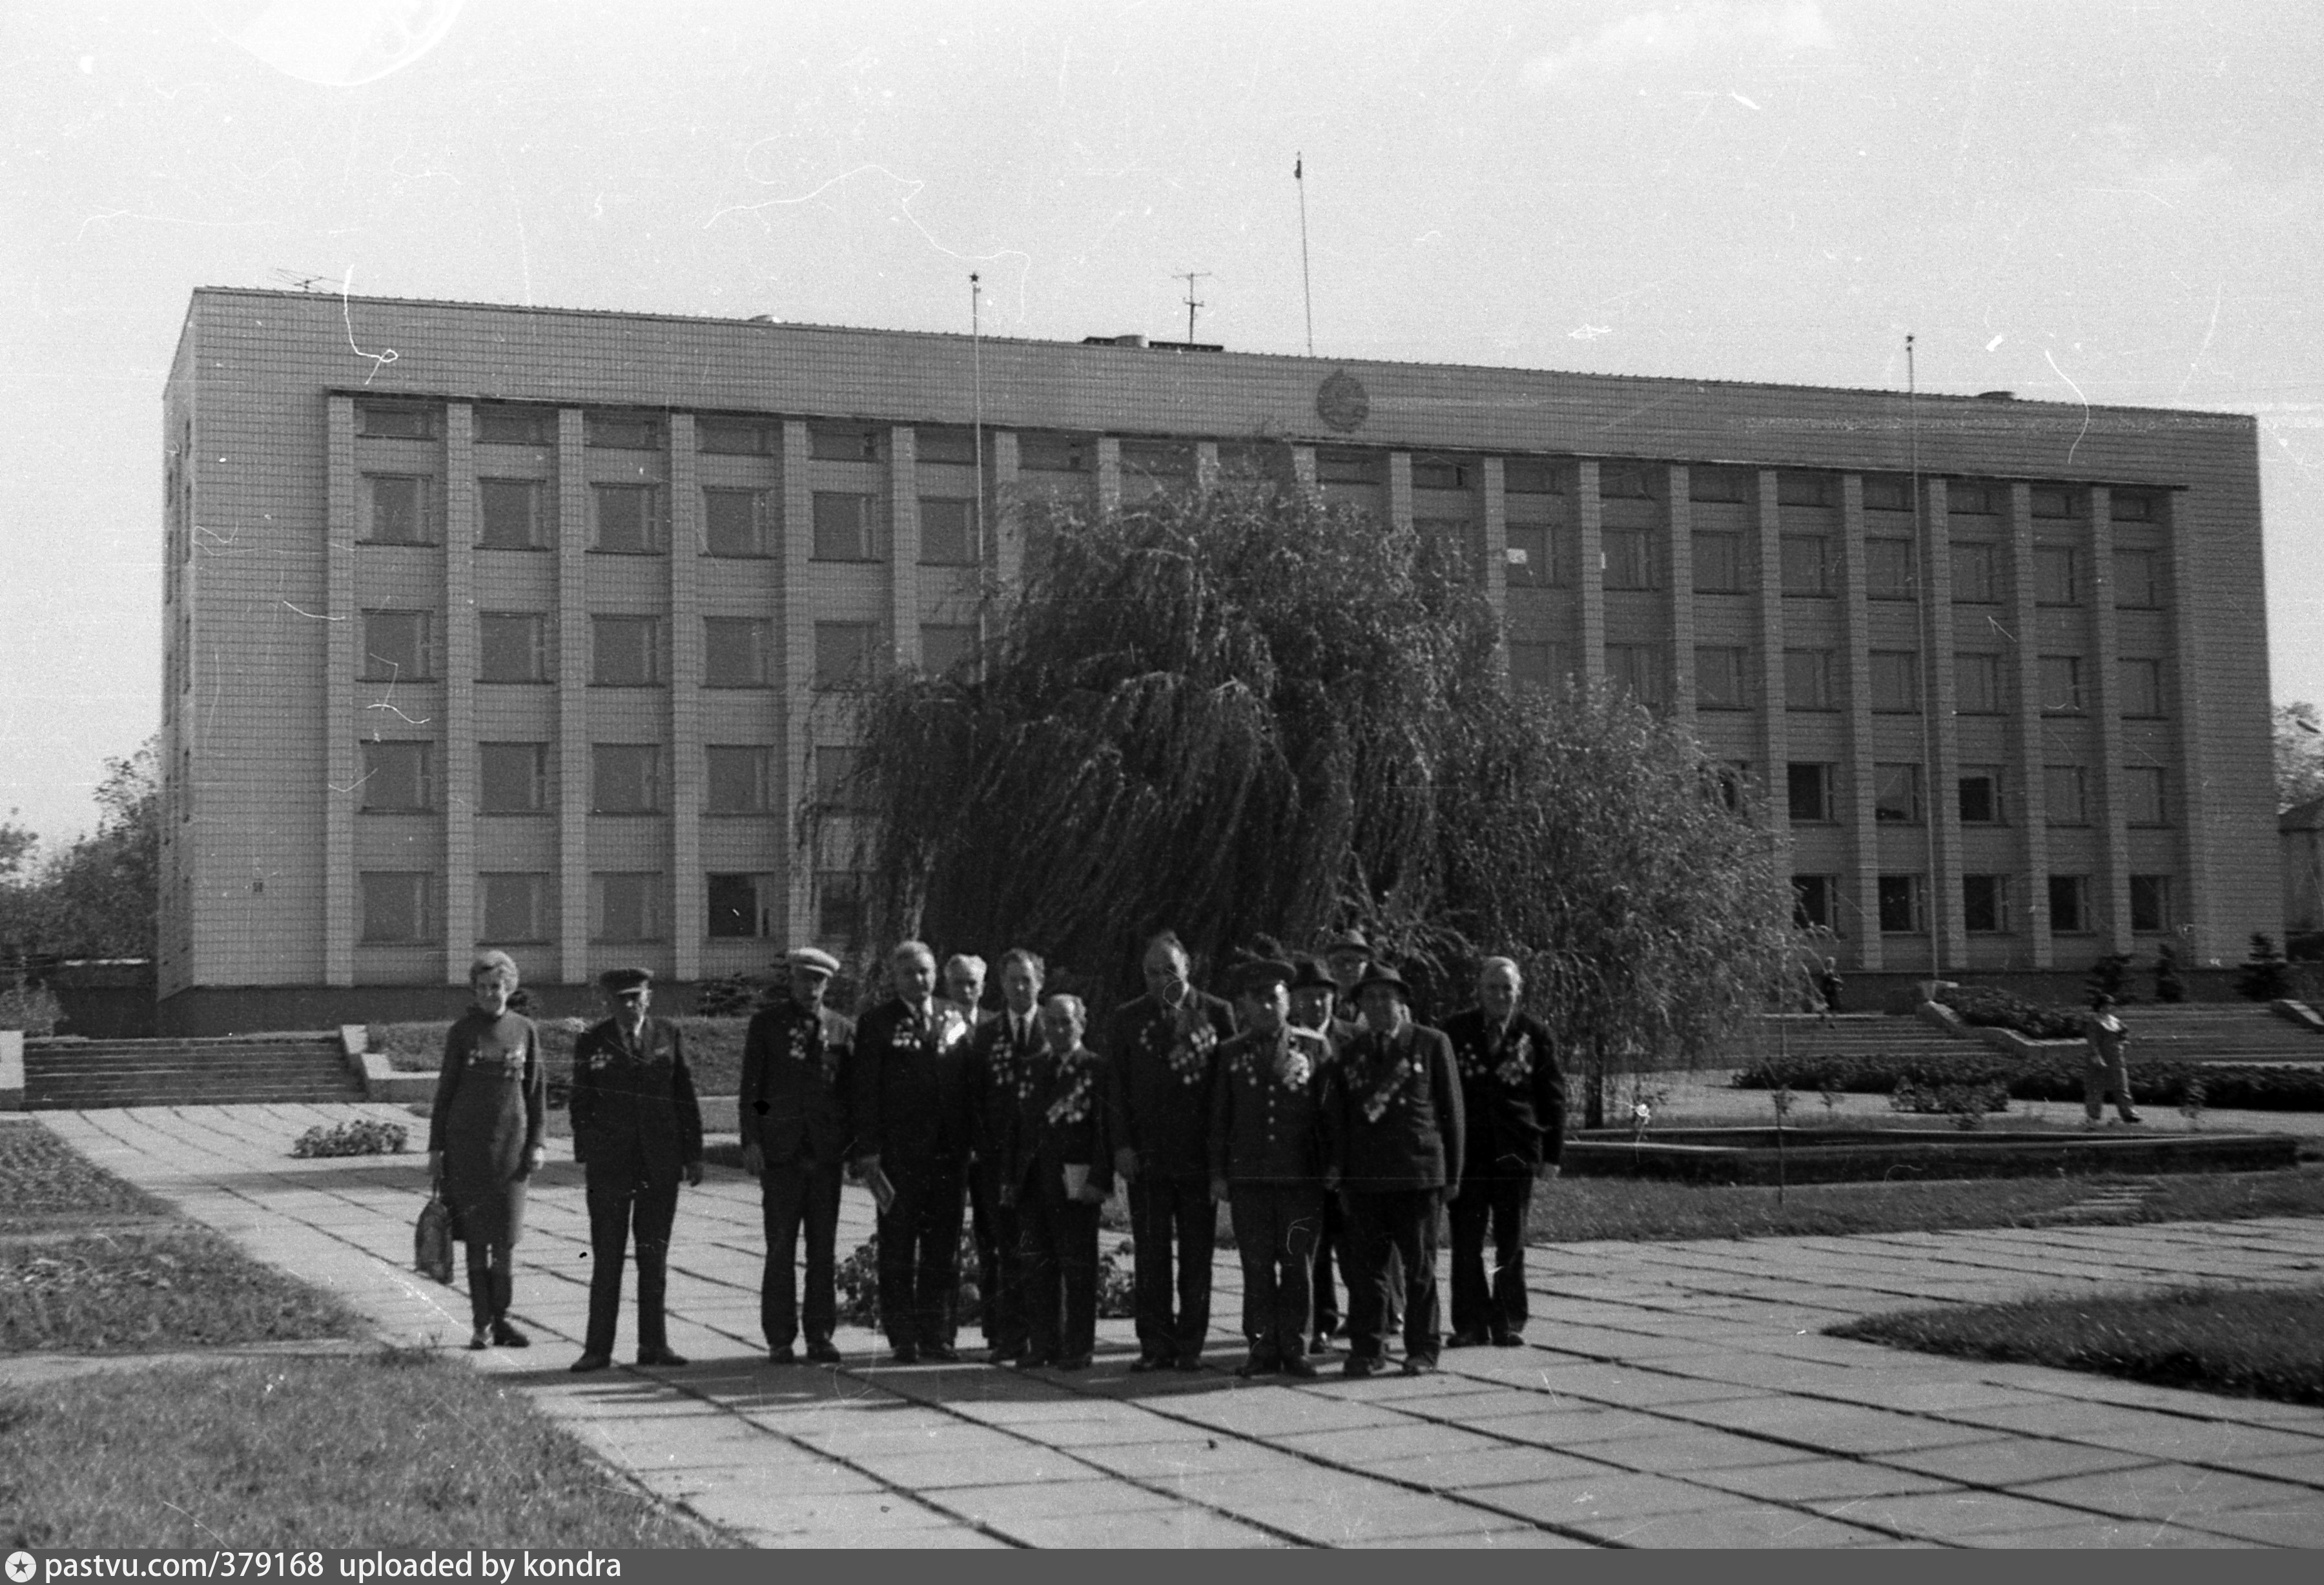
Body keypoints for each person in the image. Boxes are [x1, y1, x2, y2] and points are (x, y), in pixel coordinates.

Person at [1104, 930, 1237, 1371]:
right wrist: (1121, 1145)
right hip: (1147, 1159)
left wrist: (1223, 1161)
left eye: (1170, 970)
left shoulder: (1216, 1014)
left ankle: (1190, 1346)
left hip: (1198, 1159)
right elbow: (1116, 1089)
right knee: (1151, 1254)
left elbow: (1227, 1091)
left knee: (1196, 1257)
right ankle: (1154, 1344)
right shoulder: (1127, 1017)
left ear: (1188, 969)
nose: (1161, 979)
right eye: (1151, 971)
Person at [1327, 964, 1464, 1377]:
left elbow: (1452, 1114)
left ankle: (1422, 1350)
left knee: (1419, 1269)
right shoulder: (1351, 1052)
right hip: (1367, 1179)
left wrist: (1453, 1175)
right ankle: (1368, 1350)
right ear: (1361, 1005)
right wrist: (1343, 1175)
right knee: (1366, 1272)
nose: (1379, 1004)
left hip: (1416, 1175)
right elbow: (1344, 1119)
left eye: (1387, 996)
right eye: (1370, 998)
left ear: (1401, 1001)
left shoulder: (1430, 1043)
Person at [568, 968, 704, 1372]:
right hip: (611, 1166)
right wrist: (591, 1151)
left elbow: (685, 1096)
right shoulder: (593, 1040)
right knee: (607, 1257)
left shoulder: (668, 1035)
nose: (629, 1005)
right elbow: (580, 1102)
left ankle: (654, 1345)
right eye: (621, 998)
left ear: (650, 996)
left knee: (654, 1256)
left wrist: (693, 1154)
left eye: (636, 997)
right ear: (608, 1002)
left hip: (659, 1162)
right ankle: (597, 1349)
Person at [850, 939, 976, 1363]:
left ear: (935, 973)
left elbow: (967, 1081)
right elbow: (864, 1092)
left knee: (944, 1246)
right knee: (898, 1245)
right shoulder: (876, 1023)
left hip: (949, 1153)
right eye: (909, 973)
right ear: (895, 977)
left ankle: (938, 1333)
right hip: (899, 1156)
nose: (918, 980)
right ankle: (902, 1335)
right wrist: (867, 1150)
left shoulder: (954, 1016)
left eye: (924, 971)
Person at [1210, 959, 1330, 1378]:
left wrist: (1331, 1167)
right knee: (1256, 1265)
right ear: (1243, 1004)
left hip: (1300, 1178)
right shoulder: (1229, 1052)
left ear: (1287, 1001)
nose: (1266, 1006)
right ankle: (1261, 1348)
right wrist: (1218, 1173)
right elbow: (1219, 1117)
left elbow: (1327, 1115)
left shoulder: (1313, 1047)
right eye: (1257, 999)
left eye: (1273, 998)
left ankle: (1296, 1347)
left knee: (1297, 1263)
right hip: (1250, 1180)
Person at [1440, 957, 1565, 1347]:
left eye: (1507, 988)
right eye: (1492, 987)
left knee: (1511, 1240)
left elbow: (1553, 1097)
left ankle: (1508, 1320)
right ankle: (1469, 1324)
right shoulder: (1454, 1031)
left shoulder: (1535, 1034)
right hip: (1470, 1153)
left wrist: (1553, 1155)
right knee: (1467, 1240)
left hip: (1515, 1150)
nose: (1500, 995)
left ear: (1519, 992)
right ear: (1479, 990)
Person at [739, 946, 854, 1365]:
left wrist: (851, 1148)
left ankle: (820, 1335)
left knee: (822, 1249)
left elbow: (850, 1095)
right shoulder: (767, 1025)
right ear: (792, 980)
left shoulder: (842, 1029)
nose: (810, 987)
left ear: (827, 984)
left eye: (818, 980)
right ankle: (779, 1337)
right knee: (780, 1246)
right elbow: (754, 1090)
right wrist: (753, 1137)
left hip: (824, 1156)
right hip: (781, 1153)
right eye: (804, 978)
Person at [427, 950, 547, 1352]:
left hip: (512, 1154)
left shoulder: (525, 1030)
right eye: (482, 988)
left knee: (506, 1241)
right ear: (474, 991)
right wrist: (436, 1149)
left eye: (496, 986)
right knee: (476, 1241)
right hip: (468, 1152)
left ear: (509, 988)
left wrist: (538, 1143)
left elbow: (536, 1093)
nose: (490, 994)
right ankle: (480, 1325)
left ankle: (503, 1321)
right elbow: (445, 1092)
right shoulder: (461, 1032)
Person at [1013, 993, 1115, 1371]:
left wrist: (1099, 1180)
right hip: (1035, 1183)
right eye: (1051, 1022)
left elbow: (1105, 1130)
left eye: (1066, 1023)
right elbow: (1018, 1128)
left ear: (1082, 1025)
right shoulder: (1032, 1067)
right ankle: (1043, 1344)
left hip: (1076, 1183)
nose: (1057, 1030)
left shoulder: (1096, 1070)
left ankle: (1078, 1346)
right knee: (1036, 1267)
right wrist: (1012, 1178)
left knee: (1078, 1268)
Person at [963, 948, 1047, 1364]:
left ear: (1040, 984)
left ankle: (1050, 1334)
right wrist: (984, 1154)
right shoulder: (987, 1034)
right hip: (998, 1162)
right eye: (1012, 980)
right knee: (1005, 1249)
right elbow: (976, 1101)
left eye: (1027, 981)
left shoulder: (1057, 1026)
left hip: (1044, 1160)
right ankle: (1008, 1337)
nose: (1019, 988)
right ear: (1001, 984)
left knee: (1045, 1249)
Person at [1288, 956, 1350, 1355]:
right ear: (1293, 1001)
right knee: (1317, 1248)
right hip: (1304, 1161)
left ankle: (1368, 1317)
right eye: (1308, 998)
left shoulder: (1352, 1038)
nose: (1316, 1007)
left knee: (1356, 1245)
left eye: (1323, 998)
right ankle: (1322, 1322)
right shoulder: (1286, 1041)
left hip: (1347, 1161)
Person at [2083, 993, 2141, 1127]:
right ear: (2100, 1006)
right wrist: (2096, 1056)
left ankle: (2128, 1113)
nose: (2108, 1008)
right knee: (2096, 1089)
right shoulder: (2095, 1022)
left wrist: (2123, 1039)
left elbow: (2124, 1034)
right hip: (2101, 1059)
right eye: (2105, 1005)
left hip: (2116, 1059)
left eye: (2110, 1005)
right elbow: (2093, 1042)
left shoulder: (2116, 1021)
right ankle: (2093, 1116)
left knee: (2122, 1087)